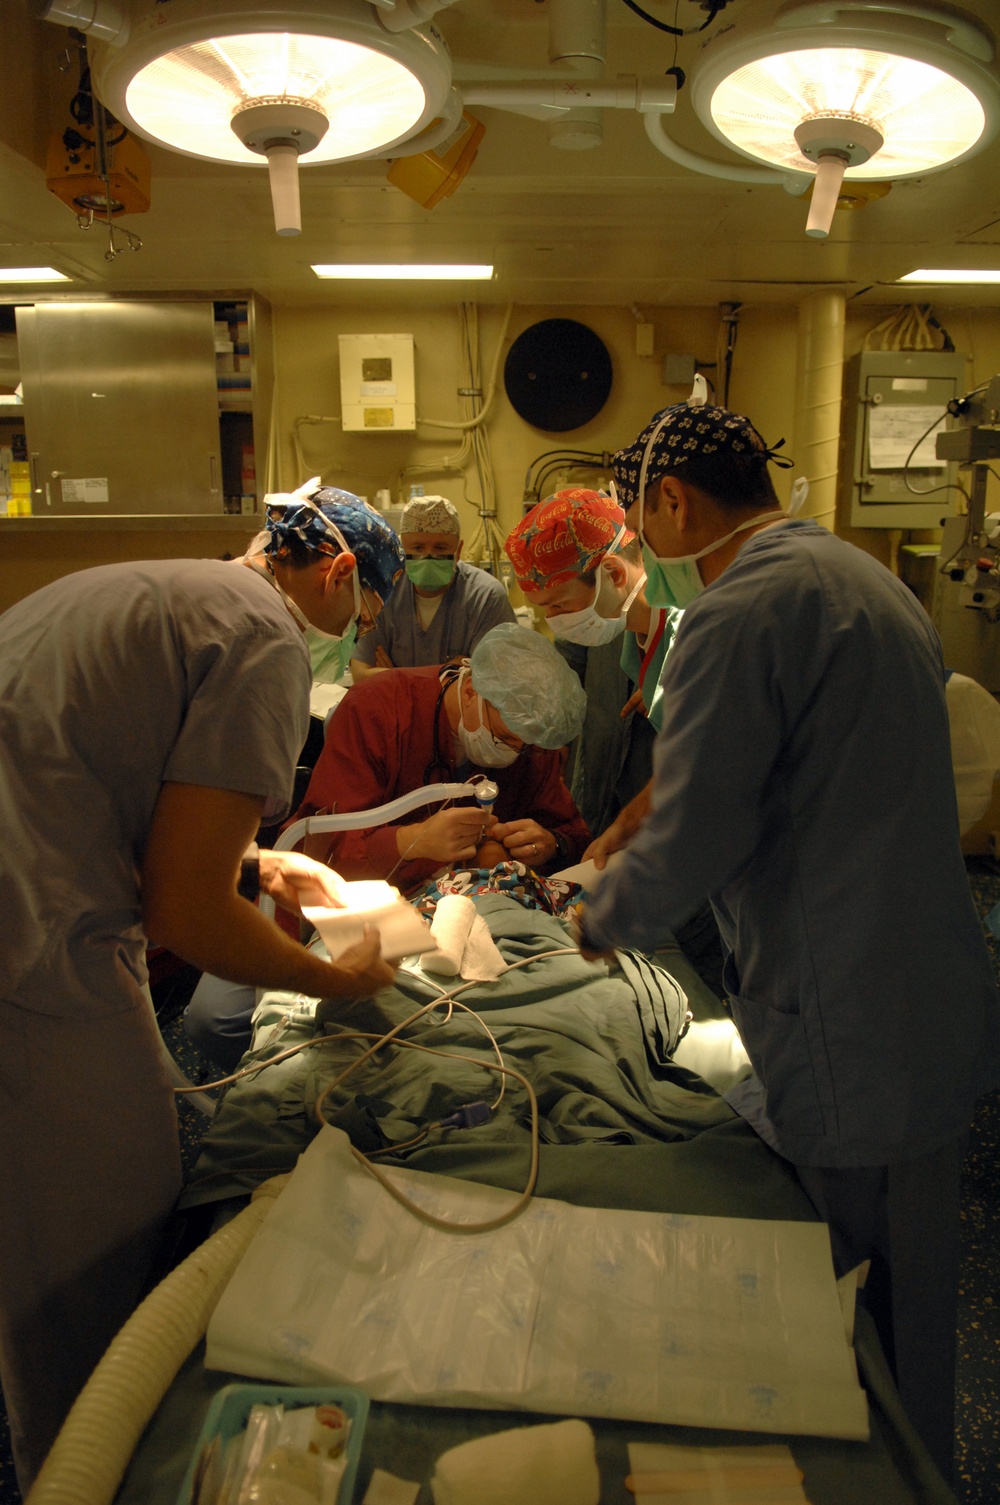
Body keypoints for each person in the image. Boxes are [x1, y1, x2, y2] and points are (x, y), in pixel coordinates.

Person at [574, 401, 1000, 1483]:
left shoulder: (734, 613)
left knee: (854, 1306)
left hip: (848, 1012)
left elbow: (702, 825)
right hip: (925, 986)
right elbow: (779, 769)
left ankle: (892, 1478)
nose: (640, 550)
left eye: (638, 523)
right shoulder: (864, 580)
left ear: (673, 501)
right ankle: (924, 1466)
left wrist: (595, 917)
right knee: (920, 1287)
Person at [0, 487, 404, 1492]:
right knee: (104, 1225)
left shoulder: (157, 591)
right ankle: (81, 1467)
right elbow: (185, 910)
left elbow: (111, 768)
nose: (353, 637)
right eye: (360, 613)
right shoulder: (265, 636)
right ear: (339, 573)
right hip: (31, 947)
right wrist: (333, 976)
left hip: (31, 894)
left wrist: (257, 859)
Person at [185, 624, 590, 1067]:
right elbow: (316, 848)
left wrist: (551, 843)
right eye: (506, 738)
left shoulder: (531, 741)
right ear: (472, 689)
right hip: (351, 894)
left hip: (464, 911)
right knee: (218, 1018)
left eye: (527, 746)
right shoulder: (380, 708)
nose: (515, 752)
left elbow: (571, 832)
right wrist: (408, 841)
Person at [505, 487, 680, 834]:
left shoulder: (689, 638)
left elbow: (699, 770)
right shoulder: (632, 638)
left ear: (613, 575)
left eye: (559, 604)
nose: (554, 620)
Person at [350, 493, 515, 681]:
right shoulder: (384, 592)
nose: (428, 557)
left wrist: (394, 676)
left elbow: (494, 683)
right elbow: (361, 675)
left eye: (440, 548)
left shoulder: (487, 598)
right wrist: (446, 673)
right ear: (401, 549)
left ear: (458, 551)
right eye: (418, 548)